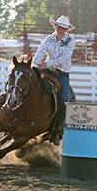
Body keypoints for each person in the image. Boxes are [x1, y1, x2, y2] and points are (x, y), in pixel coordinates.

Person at [32, 15, 76, 145]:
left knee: (63, 101)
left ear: (66, 29)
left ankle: (56, 129)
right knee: (26, 83)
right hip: (48, 71)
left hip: (62, 73)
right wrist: (34, 65)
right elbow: (40, 52)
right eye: (58, 26)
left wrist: (46, 64)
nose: (60, 29)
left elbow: (65, 59)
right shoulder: (48, 39)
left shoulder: (71, 41)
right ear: (55, 26)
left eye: (63, 28)